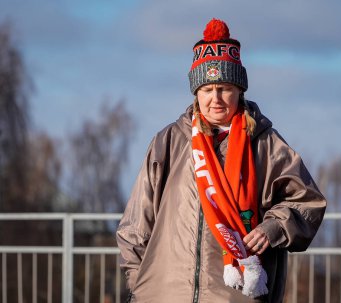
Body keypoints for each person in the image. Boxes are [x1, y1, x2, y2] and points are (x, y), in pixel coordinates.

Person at [116, 18, 326, 303]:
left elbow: (308, 203)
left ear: (240, 90)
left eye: (224, 88)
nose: (215, 99)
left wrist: (274, 227)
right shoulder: (169, 142)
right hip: (164, 295)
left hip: (235, 295)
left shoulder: (265, 144)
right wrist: (139, 286)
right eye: (206, 89)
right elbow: (136, 227)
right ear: (196, 93)